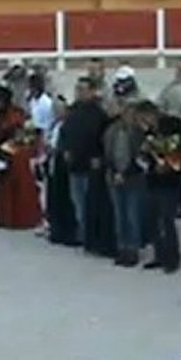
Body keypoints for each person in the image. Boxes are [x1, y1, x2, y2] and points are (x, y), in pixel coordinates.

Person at [135, 100, 181, 273]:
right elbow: (145, 153)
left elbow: (179, 149)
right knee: (153, 219)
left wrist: (167, 164)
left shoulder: (172, 125)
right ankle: (159, 254)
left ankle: (172, 257)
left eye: (143, 118)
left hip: (169, 181)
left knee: (167, 219)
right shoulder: (149, 131)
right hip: (152, 179)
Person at [60, 77, 111, 255]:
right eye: (78, 88)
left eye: (83, 89)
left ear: (92, 91)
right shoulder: (72, 112)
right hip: (74, 163)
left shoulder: (99, 114)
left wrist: (99, 157)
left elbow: (103, 139)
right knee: (78, 201)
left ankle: (91, 236)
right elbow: (65, 133)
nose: (80, 92)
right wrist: (65, 149)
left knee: (90, 203)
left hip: (91, 165)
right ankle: (82, 233)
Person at [0, 86, 40, 229]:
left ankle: (22, 220)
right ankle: (4, 218)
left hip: (18, 157)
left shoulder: (17, 115)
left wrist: (5, 151)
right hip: (2, 156)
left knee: (19, 189)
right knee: (3, 188)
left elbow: (24, 137)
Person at [103, 100, 147, 267]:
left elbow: (141, 156)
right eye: (126, 113)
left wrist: (126, 173)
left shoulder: (139, 133)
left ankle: (133, 248)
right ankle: (122, 247)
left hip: (133, 179)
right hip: (114, 177)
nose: (129, 117)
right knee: (119, 216)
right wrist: (115, 172)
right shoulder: (111, 131)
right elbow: (107, 153)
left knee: (132, 215)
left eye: (132, 114)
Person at [45, 96, 79, 246]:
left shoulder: (68, 126)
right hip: (52, 164)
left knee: (65, 200)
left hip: (62, 165)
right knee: (54, 198)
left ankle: (67, 232)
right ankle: (55, 229)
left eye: (59, 109)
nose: (56, 112)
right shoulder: (53, 125)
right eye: (55, 109)